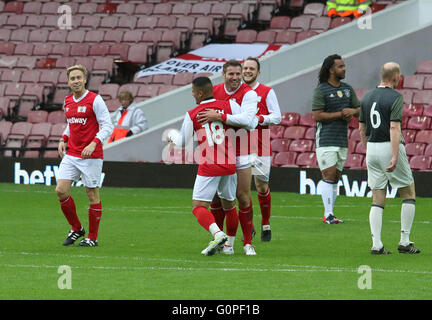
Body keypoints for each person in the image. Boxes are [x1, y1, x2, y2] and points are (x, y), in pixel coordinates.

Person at [167, 76, 256, 256]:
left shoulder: (193, 113)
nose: (192, 95)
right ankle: (229, 247)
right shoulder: (229, 105)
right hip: (230, 162)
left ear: (200, 93)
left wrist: (172, 136)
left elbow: (183, 141)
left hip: (210, 164)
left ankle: (217, 234)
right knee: (229, 205)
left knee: (198, 206)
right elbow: (248, 121)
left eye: (193, 92)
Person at [197, 60, 259, 255]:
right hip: (220, 153)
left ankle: (247, 242)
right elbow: (202, 114)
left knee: (242, 196)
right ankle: (221, 240)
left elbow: (249, 122)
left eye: (238, 74)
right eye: (231, 74)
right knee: (217, 199)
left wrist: (221, 117)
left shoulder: (249, 94)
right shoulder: (214, 91)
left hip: (242, 151)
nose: (235, 77)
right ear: (223, 74)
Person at [359, 62, 420, 255]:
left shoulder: (367, 97)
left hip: (372, 148)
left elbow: (361, 128)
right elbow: (394, 127)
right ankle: (404, 241)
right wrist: (394, 155)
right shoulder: (395, 97)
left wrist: (368, 148)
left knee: (377, 197)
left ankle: (376, 244)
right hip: (388, 145)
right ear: (396, 77)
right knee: (408, 192)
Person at [55, 65, 114, 247]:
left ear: (85, 79)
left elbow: (108, 126)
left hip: (91, 154)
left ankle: (93, 238)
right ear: (68, 82)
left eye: (79, 77)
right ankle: (77, 228)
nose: (76, 81)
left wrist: (94, 142)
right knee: (61, 190)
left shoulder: (95, 100)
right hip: (72, 153)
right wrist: (63, 138)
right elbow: (71, 124)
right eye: (72, 78)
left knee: (92, 194)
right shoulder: (67, 101)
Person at [312, 54, 360, 224]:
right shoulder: (321, 90)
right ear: (331, 70)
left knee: (336, 177)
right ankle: (328, 214)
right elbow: (317, 115)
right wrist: (340, 114)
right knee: (329, 174)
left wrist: (352, 112)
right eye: (340, 66)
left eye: (344, 66)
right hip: (325, 139)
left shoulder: (347, 89)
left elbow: (359, 108)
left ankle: (330, 214)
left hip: (342, 139)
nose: (344, 69)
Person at [242, 57, 281, 242]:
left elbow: (278, 117)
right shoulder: (236, 92)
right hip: (238, 144)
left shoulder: (266, 92)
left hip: (260, 144)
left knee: (261, 186)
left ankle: (266, 223)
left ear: (258, 72)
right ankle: (248, 227)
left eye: (251, 68)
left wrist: (260, 119)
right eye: (245, 68)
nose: (247, 71)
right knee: (241, 189)